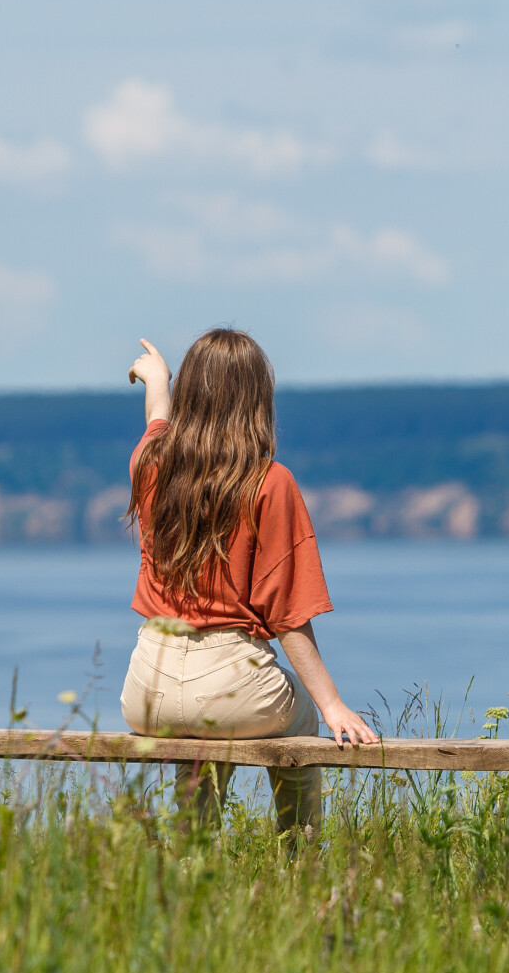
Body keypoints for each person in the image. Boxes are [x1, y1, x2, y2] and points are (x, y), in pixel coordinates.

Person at [122, 329, 378, 834]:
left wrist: (158, 378)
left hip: (146, 688)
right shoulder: (268, 482)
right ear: (257, 400)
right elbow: (287, 614)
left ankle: (192, 855)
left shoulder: (150, 464)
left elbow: (157, 422)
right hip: (230, 679)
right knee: (301, 724)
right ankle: (299, 857)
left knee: (198, 739)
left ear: (192, 394)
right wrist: (331, 705)